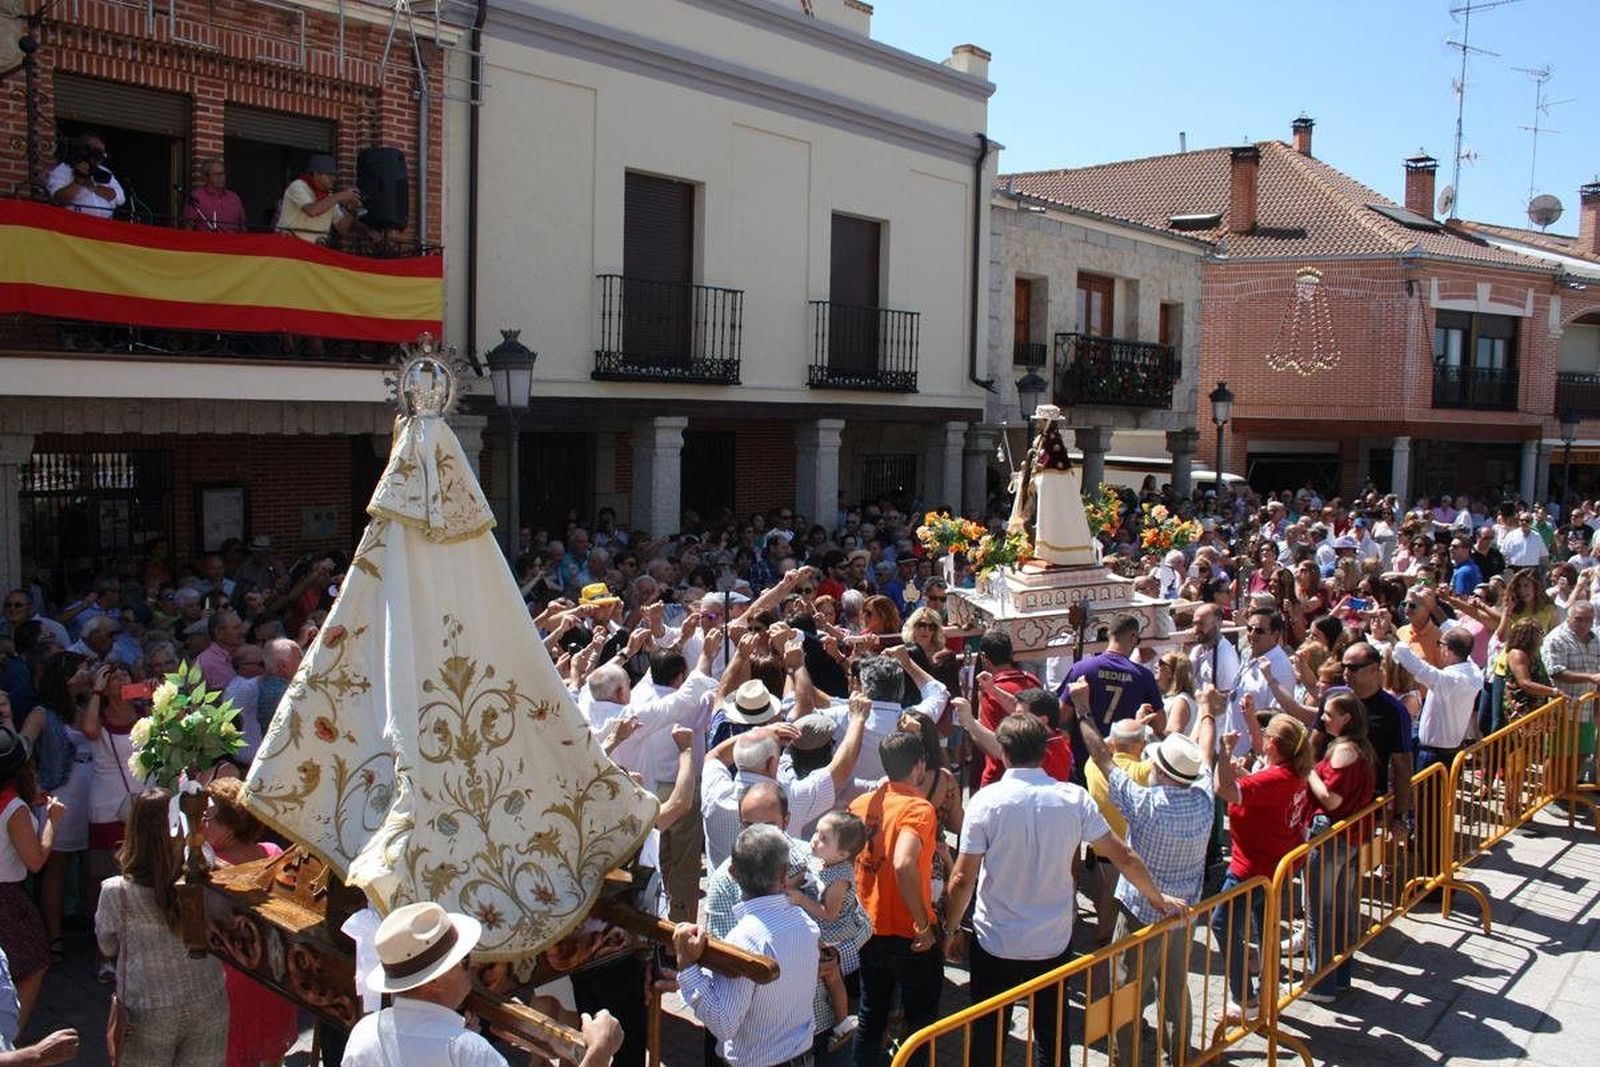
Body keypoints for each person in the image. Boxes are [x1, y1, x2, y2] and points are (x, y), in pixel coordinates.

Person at [943, 713, 1183, 1067]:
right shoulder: (1074, 799)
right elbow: (1124, 855)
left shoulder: (985, 802)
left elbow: (963, 878)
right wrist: (1157, 898)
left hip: (996, 940)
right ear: (1042, 752)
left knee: (987, 1035)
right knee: (1052, 1036)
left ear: (1004, 753)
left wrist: (950, 928)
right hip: (1052, 942)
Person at [1074, 691, 1220, 1066]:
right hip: (1184, 912)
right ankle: (1179, 1055)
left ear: (1161, 771)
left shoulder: (1143, 804)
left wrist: (1082, 710)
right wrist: (1206, 711)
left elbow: (1101, 757)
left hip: (1141, 911)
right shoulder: (1203, 798)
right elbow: (1205, 755)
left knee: (1126, 990)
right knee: (1175, 989)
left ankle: (1129, 1060)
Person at [97, 787, 229, 1064]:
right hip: (208, 998)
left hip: (146, 1008)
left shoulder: (115, 892)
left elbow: (106, 945)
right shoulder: (205, 871)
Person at [676, 823, 820, 1067]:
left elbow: (723, 1023)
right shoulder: (806, 922)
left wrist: (688, 967)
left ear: (732, 873)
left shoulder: (745, 939)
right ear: (784, 873)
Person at [1210, 713, 1312, 1021]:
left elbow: (1223, 789)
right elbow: (1255, 790)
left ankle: (1246, 998)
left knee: (1222, 924)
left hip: (1251, 867)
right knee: (1261, 924)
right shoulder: (1293, 772)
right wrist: (1243, 773)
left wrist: (1224, 752)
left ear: (1273, 744)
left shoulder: (1276, 778)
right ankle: (1267, 984)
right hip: (1275, 862)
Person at [849, 732, 940, 1067]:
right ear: (918, 765)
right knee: (920, 1023)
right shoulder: (918, 808)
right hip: (908, 933)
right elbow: (903, 862)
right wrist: (922, 924)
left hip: (869, 928)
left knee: (871, 1014)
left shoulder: (860, 805)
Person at [205, 778, 299, 1067]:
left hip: (230, 974)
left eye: (207, 819)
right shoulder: (272, 852)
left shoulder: (210, 864)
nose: (200, 824)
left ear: (230, 826)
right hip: (274, 970)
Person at [1301, 692, 1376, 1003]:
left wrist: (1308, 771)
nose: (1324, 719)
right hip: (1350, 836)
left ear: (1347, 718)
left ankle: (1320, 983)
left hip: (1332, 835)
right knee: (1342, 907)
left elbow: (1332, 799)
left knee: (1321, 908)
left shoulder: (1344, 751)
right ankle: (1341, 976)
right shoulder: (1360, 748)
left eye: (1330, 714)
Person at [784, 811, 870, 1053]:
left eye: (824, 839)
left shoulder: (839, 878)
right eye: (816, 833)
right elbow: (806, 874)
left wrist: (800, 899)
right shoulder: (820, 859)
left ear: (843, 854)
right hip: (819, 925)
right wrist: (788, 884)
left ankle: (842, 1020)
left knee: (831, 975)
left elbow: (829, 912)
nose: (814, 840)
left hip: (833, 931)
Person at [1, 725, 64, 1035]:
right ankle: (9, 1041)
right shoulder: (14, 808)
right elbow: (36, 861)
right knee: (35, 963)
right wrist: (52, 822)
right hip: (6, 899)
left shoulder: (15, 804)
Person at [1058, 615, 1162, 780]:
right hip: (1125, 767)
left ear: (1109, 634)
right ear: (1134, 638)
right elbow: (1160, 723)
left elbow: (1062, 715)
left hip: (1084, 760)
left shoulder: (1081, 669)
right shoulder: (1143, 676)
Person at [1392, 627, 1483, 775]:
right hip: (1454, 752)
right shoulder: (1474, 673)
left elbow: (1418, 668)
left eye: (1440, 644)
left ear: (1447, 649)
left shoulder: (1449, 680)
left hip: (1433, 756)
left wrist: (1398, 642)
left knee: (1425, 798)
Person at [974, 629, 1042, 789]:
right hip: (1036, 773)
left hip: (999, 778)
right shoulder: (1033, 681)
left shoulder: (990, 692)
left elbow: (988, 742)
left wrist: (969, 724)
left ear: (984, 657)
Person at [276, 153, 361, 243]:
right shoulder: (298, 186)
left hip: (316, 248)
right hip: (291, 245)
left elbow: (341, 228)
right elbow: (312, 210)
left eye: (334, 175)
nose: (333, 179)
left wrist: (352, 209)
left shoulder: (329, 197)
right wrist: (340, 195)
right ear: (316, 174)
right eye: (329, 175)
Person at [46, 133, 125, 216]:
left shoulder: (105, 172)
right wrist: (78, 181)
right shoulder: (64, 169)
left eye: (101, 153)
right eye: (94, 151)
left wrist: (93, 186)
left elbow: (120, 198)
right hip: (73, 221)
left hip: (103, 223)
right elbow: (58, 200)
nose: (98, 156)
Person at [181, 158, 248, 232]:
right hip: (207, 242)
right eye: (216, 174)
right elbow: (187, 228)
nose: (221, 177)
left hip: (232, 242)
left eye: (222, 173)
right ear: (206, 178)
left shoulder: (234, 198)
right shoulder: (197, 197)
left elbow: (243, 228)